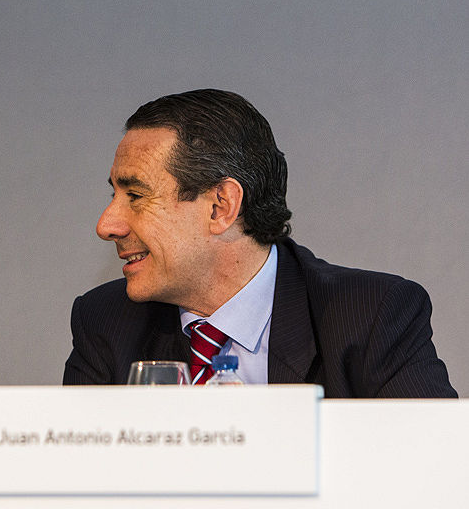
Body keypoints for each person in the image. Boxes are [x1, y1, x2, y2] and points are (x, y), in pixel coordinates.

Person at [64, 89, 456, 397]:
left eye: (135, 196)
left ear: (221, 206)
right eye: (113, 196)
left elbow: (438, 475)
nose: (107, 225)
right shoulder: (106, 322)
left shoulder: (369, 316)